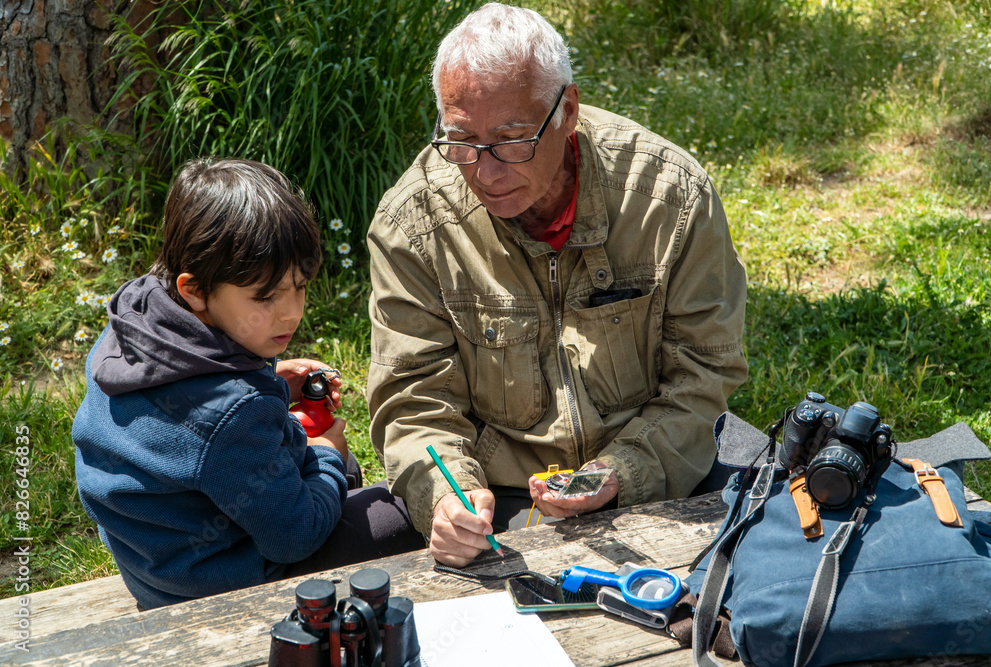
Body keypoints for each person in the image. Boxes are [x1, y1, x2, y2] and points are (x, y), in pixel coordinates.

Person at [366, 3, 748, 567]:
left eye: (512, 140)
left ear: (566, 110)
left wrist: (622, 473)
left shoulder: (670, 197)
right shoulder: (413, 225)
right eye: (461, 141)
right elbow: (414, 399)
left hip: (663, 473)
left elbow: (704, 372)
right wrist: (447, 497)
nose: (485, 173)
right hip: (504, 501)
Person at [73, 158, 422, 610]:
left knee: (338, 478)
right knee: (394, 510)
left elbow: (186, 420)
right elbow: (294, 538)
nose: (293, 312)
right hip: (219, 585)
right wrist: (325, 453)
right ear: (195, 290)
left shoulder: (134, 321)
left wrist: (270, 380)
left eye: (299, 286)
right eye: (267, 296)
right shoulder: (232, 414)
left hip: (155, 560)